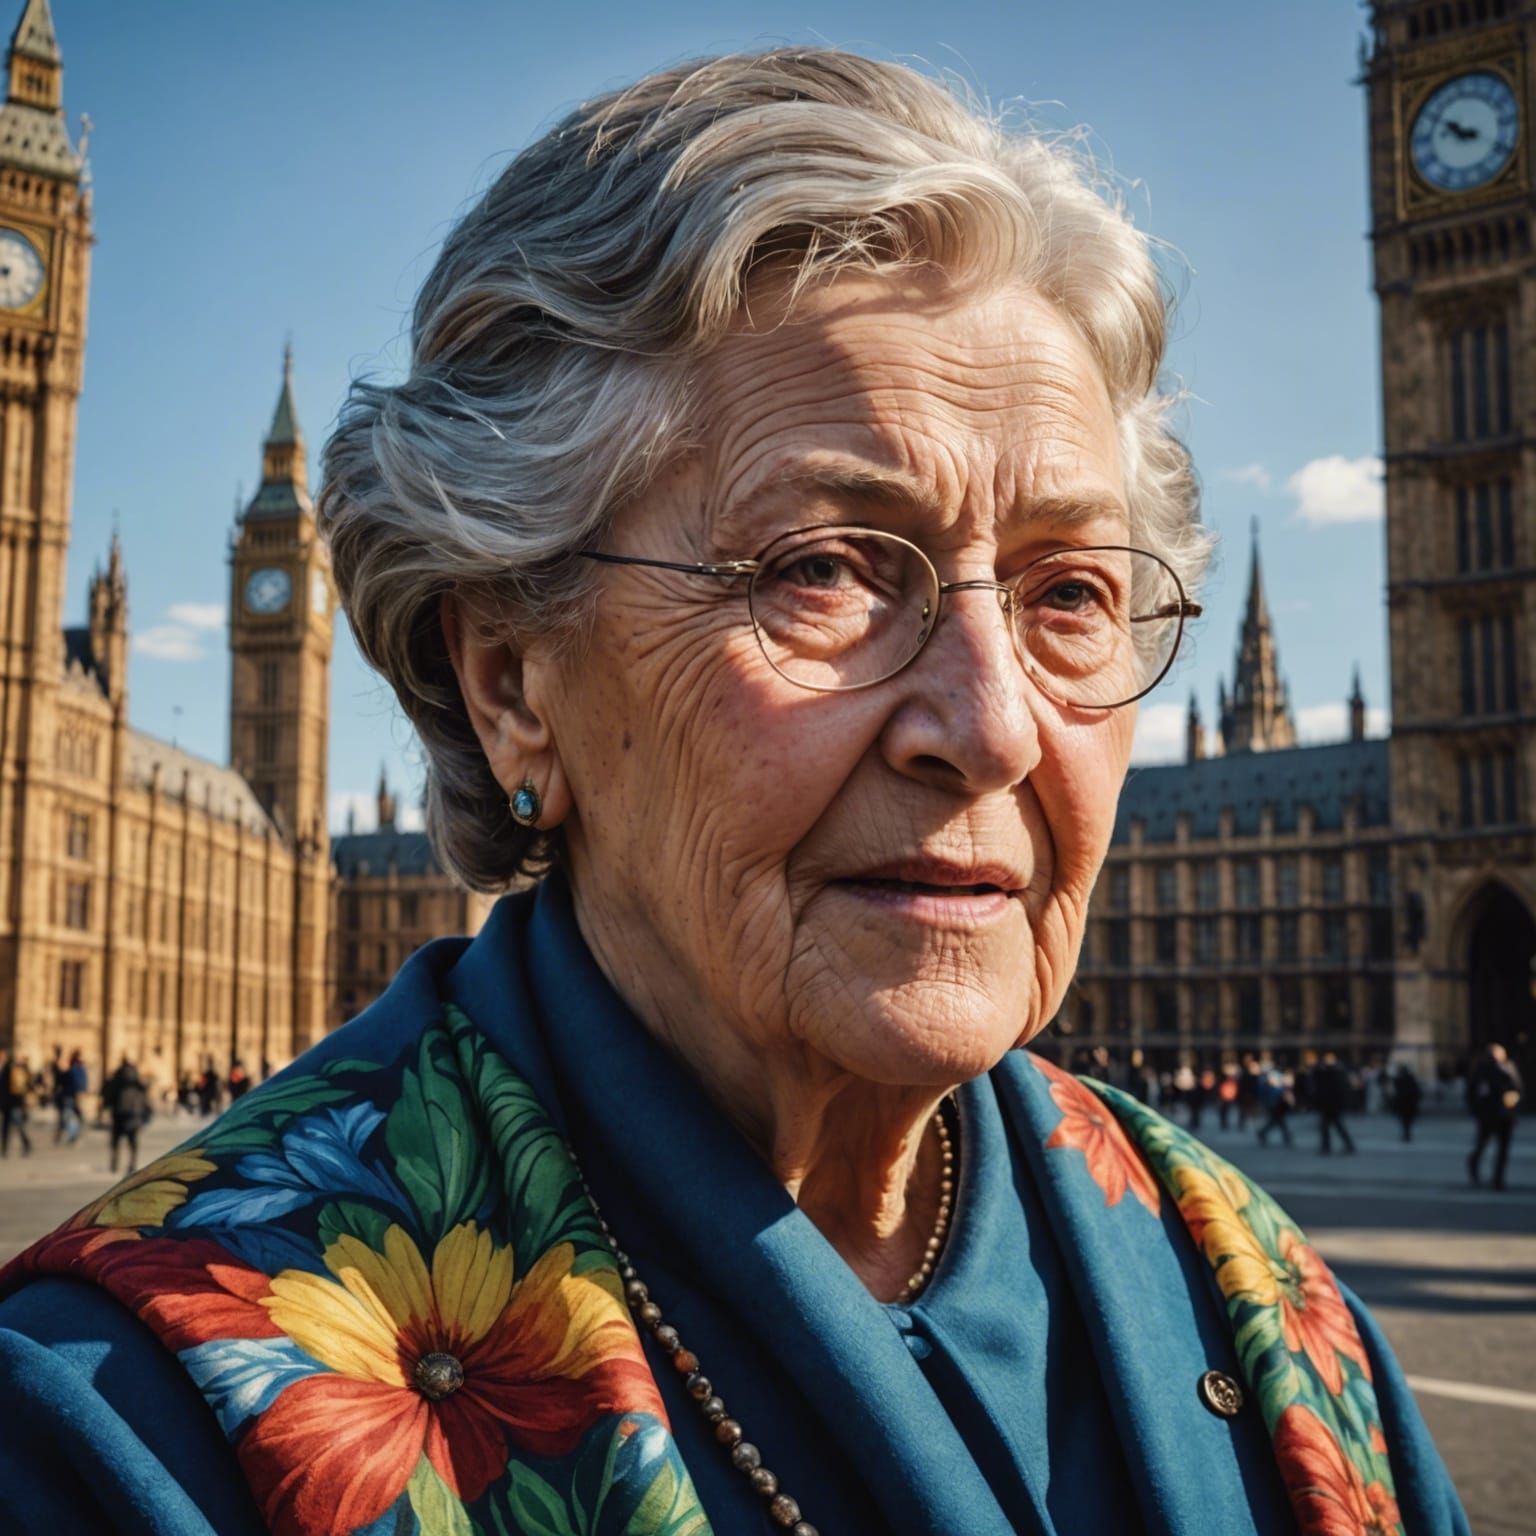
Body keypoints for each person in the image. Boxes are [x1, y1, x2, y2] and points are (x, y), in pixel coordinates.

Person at [0, 51, 1466, 1536]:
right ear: (513, 679)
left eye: (1069, 590)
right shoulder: (132, 1428)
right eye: (822, 569)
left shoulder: (1277, 1309)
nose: (994, 725)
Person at [1467, 1042, 1524, 1191]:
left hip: (1505, 1116)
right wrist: (1477, 1112)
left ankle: (1498, 1179)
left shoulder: (1509, 1068)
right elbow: (1474, 1093)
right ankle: (1474, 1163)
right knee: (1482, 1145)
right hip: (1488, 1116)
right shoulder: (1482, 1070)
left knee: (1503, 1149)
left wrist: (1513, 1104)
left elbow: (1517, 1088)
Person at [103, 1057, 150, 1175]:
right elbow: (144, 1096)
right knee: (133, 1142)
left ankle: (114, 1164)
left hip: (119, 1114)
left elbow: (108, 1094)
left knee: (116, 1142)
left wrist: (106, 1106)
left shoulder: (117, 1079)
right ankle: (132, 1164)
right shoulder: (137, 1080)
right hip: (134, 1115)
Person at [1313, 1050, 1356, 1155]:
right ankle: (1326, 1147)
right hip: (1325, 1104)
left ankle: (1348, 1145)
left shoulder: (1338, 1072)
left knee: (1338, 1126)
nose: (1328, 1060)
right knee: (1325, 1127)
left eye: (1330, 1058)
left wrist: (1343, 1103)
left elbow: (1343, 1089)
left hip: (1335, 1105)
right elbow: (1318, 1087)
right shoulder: (1322, 1071)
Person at [1255, 1059, 1294, 1148]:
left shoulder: (1271, 1079)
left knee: (1277, 1121)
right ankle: (1285, 1136)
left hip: (1276, 1104)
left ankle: (1263, 1133)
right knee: (1278, 1121)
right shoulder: (1269, 1081)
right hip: (1274, 1104)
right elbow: (1271, 1093)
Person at [0, 1046, 30, 1157]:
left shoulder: (11, 1068)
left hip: (13, 1102)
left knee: (17, 1124)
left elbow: (19, 1086)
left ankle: (26, 1143)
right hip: (5, 1103)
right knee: (5, 1126)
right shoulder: (3, 1068)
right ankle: (4, 1149)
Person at [1391, 1062, 1423, 1144]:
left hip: (1403, 1104)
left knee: (1404, 1121)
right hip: (1410, 1104)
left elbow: (1395, 1090)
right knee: (1408, 1122)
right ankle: (1407, 1135)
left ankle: (1406, 1135)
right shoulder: (1411, 1079)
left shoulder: (1399, 1080)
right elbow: (1417, 1092)